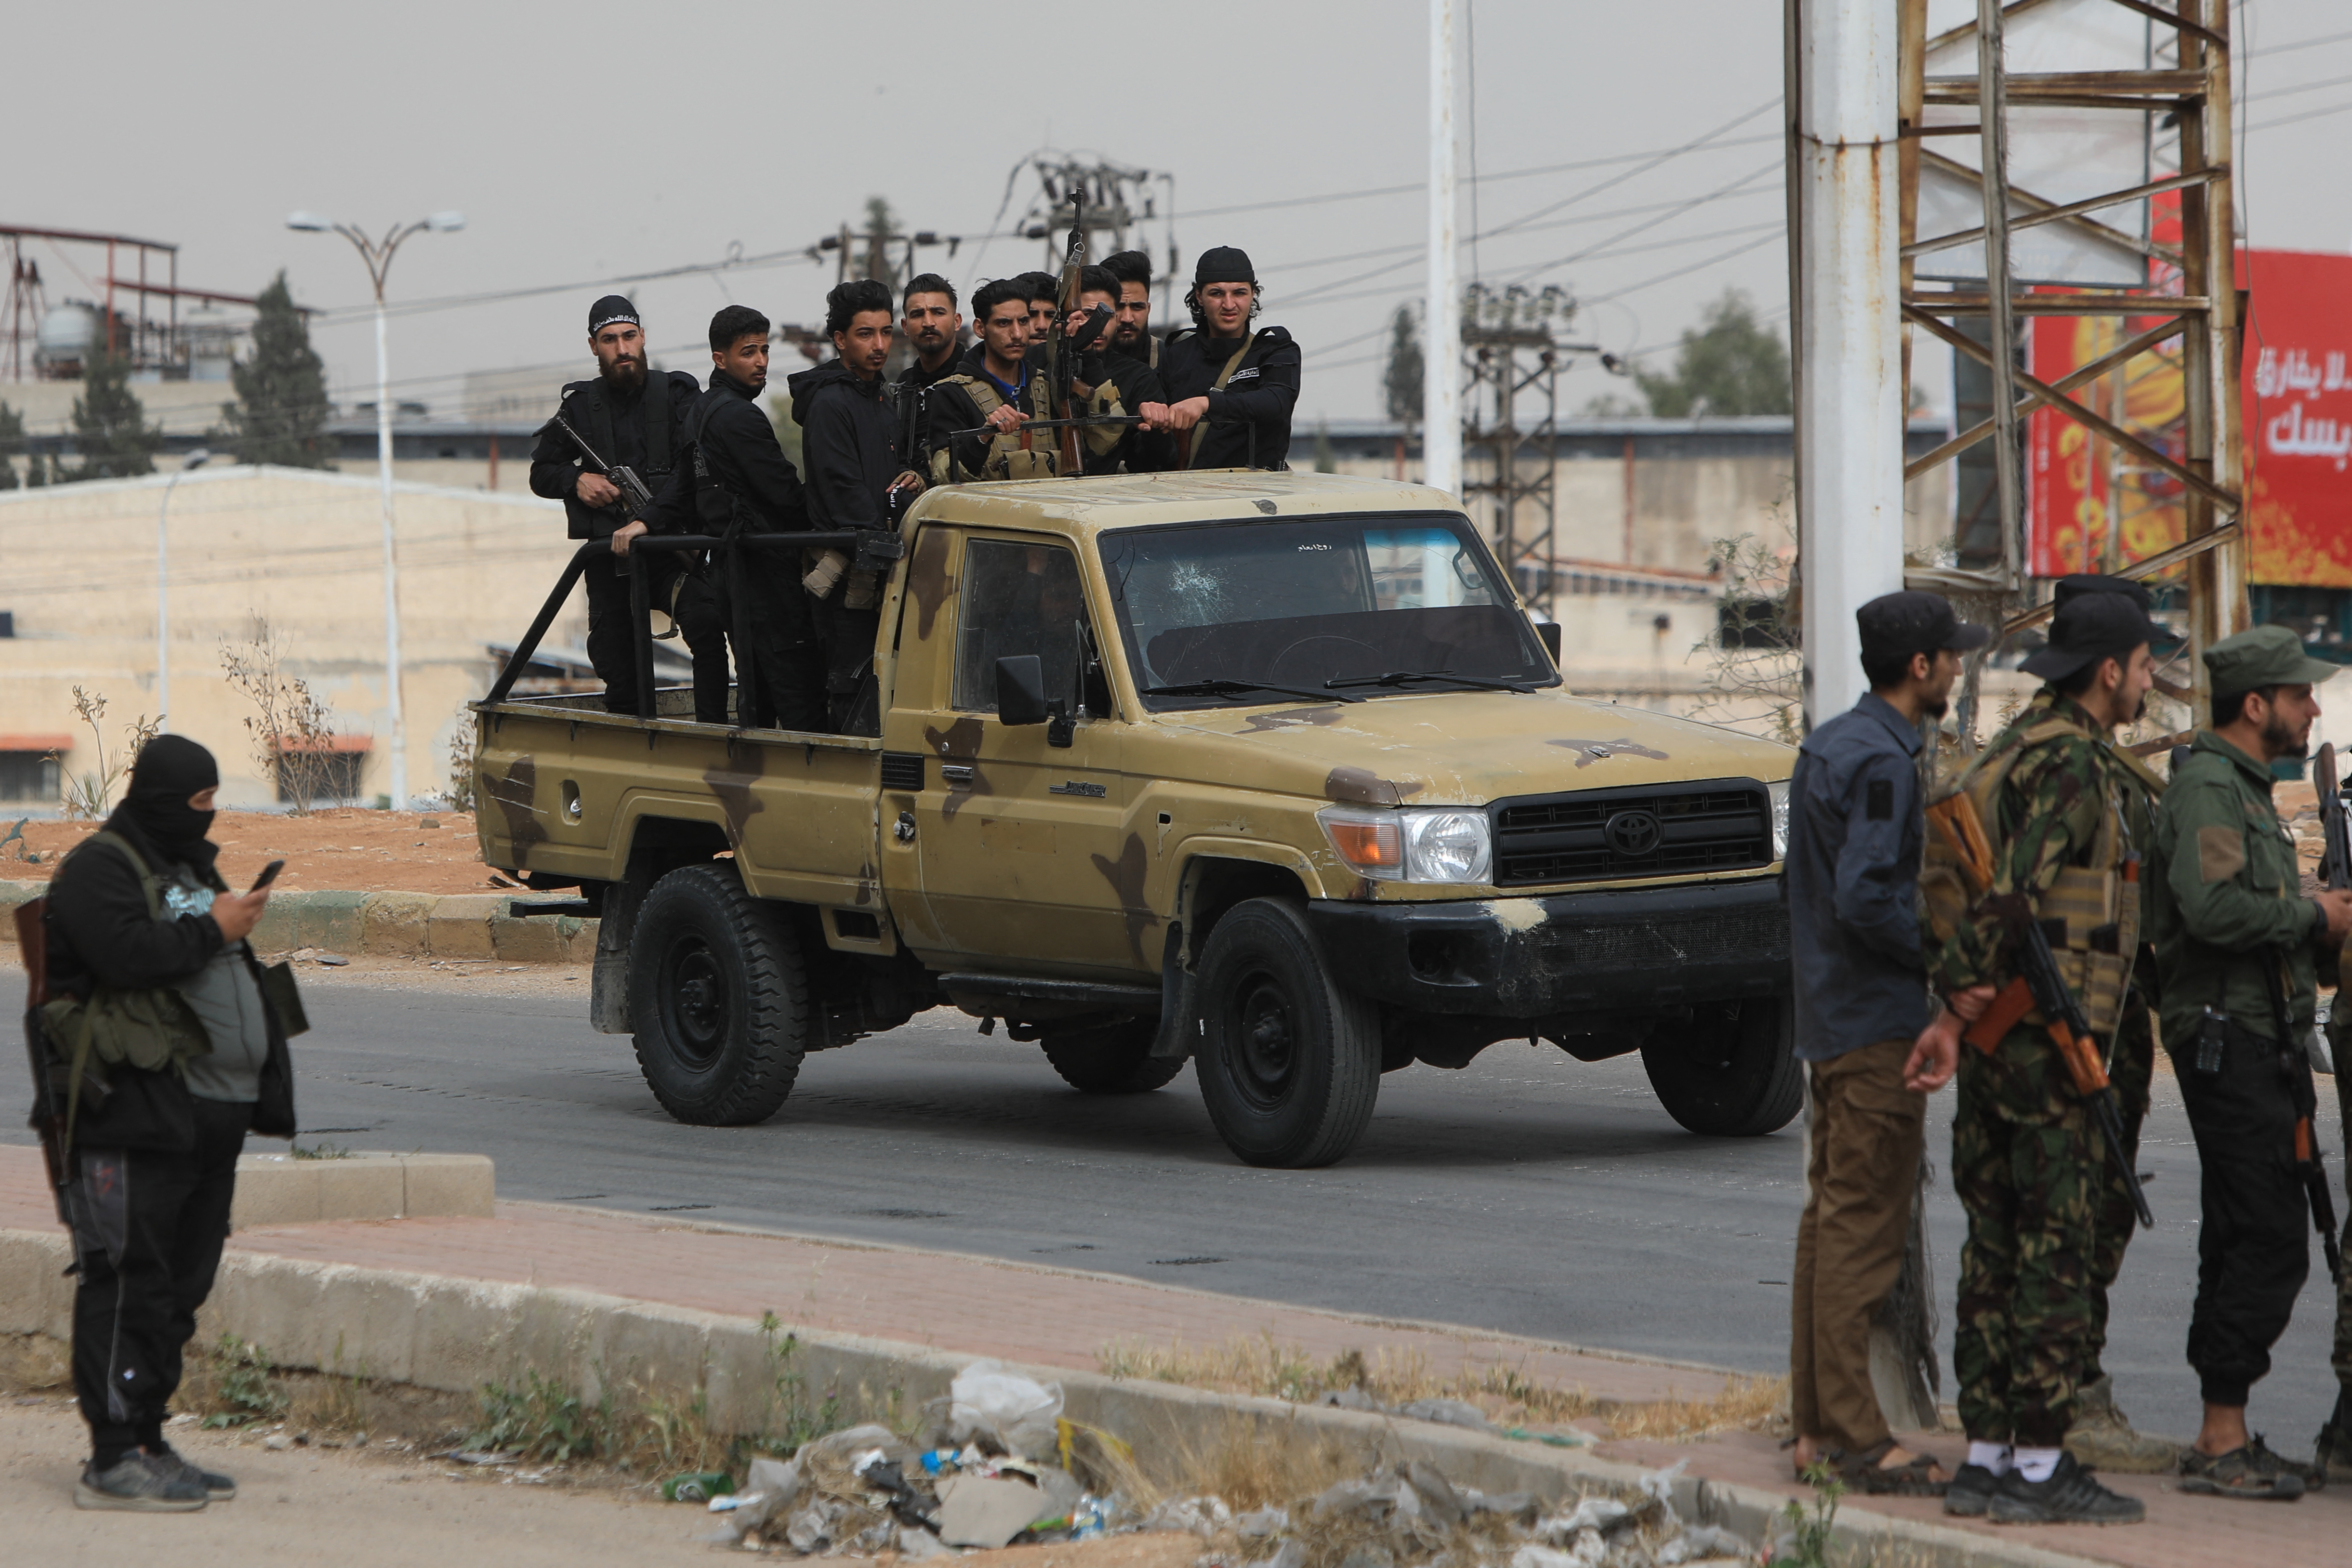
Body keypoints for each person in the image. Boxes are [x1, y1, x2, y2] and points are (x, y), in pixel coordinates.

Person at [1922, 588, 2165, 1526]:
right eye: (2145, 666)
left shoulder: (2008, 747)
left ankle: (1983, 1457)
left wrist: (1956, 1004)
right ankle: (2036, 1466)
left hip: (1996, 1042)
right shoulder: (2066, 765)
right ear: (2108, 672)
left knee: (1990, 1248)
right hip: (2040, 1045)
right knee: (2050, 1252)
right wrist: (1964, 991)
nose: (2150, 680)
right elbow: (2013, 895)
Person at [38, 736, 297, 1510]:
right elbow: (127, 953)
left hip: (204, 1117)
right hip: (129, 1114)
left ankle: (148, 1435)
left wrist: (232, 922)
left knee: (181, 1286)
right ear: (157, 798)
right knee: (127, 1281)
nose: (206, 816)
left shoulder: (186, 867)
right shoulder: (98, 869)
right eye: (196, 803)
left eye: (214, 802)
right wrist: (217, 929)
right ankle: (113, 1454)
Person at [2145, 624, 2352, 1501]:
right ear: (2255, 705)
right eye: (2299, 696)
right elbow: (2212, 911)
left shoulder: (2243, 790)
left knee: (2241, 1233)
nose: (2313, 710)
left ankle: (2219, 1430)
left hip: (2258, 1034)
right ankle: (2219, 1438)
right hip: (2226, 1037)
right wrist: (2314, 920)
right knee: (2269, 1238)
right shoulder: (2207, 791)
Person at [1784, 591, 1983, 1497]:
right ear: (1920, 668)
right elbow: (1868, 898)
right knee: (1862, 1233)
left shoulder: (1834, 742)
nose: (1957, 669)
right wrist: (1943, 964)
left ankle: (1818, 1429)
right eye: (1951, 657)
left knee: (1828, 1228)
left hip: (1833, 1017)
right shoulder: (1882, 763)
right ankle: (1858, 1440)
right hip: (1872, 1026)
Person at [527, 295, 728, 722]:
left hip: (672, 551)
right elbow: (541, 471)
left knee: (708, 628)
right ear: (593, 346)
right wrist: (576, 480)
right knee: (618, 665)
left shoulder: (677, 394)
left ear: (643, 337)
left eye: (629, 337)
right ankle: (635, 745)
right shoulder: (580, 407)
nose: (622, 349)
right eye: (610, 339)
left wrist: (648, 520)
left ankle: (714, 732)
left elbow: (693, 469)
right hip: (611, 561)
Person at [645, 304, 821, 730]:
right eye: (748, 352)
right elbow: (783, 493)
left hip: (732, 570)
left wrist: (647, 519)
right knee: (799, 700)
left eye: (764, 350)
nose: (761, 362)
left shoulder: (702, 411)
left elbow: (682, 486)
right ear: (719, 359)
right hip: (762, 573)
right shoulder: (739, 415)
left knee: (755, 695)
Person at [788, 278, 925, 731]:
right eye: (866, 334)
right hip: (852, 579)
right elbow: (845, 495)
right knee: (855, 698)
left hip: (887, 570)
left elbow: (896, 472)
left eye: (887, 332)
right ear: (841, 339)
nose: (880, 344)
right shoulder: (830, 403)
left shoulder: (883, 398)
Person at [1150, 247, 1299, 470]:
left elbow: (1277, 402)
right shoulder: (1176, 354)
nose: (1229, 305)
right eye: (1217, 293)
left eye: (1239, 293)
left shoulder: (1276, 350)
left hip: (1257, 492)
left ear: (1253, 295)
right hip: (1187, 494)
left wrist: (1206, 404)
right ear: (1199, 297)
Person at [923, 279, 1048, 484]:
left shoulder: (1048, 385)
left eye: (1024, 322)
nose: (1017, 334)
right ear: (980, 328)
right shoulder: (953, 394)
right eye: (1004, 323)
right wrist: (982, 438)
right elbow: (944, 475)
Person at [1069, 264, 1172, 475]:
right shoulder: (1039, 363)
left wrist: (1156, 426)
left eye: (1104, 316)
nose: (1096, 326)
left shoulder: (1139, 376)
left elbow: (1160, 459)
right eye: (1087, 315)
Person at [898, 273, 965, 390]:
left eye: (938, 313)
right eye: (917, 315)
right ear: (905, 327)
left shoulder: (978, 377)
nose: (928, 323)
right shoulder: (904, 386)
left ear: (957, 322)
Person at [1101, 249, 1158, 368]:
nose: (1127, 318)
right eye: (1118, 307)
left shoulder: (1170, 363)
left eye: (1137, 307)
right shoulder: (1081, 363)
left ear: (1148, 309)